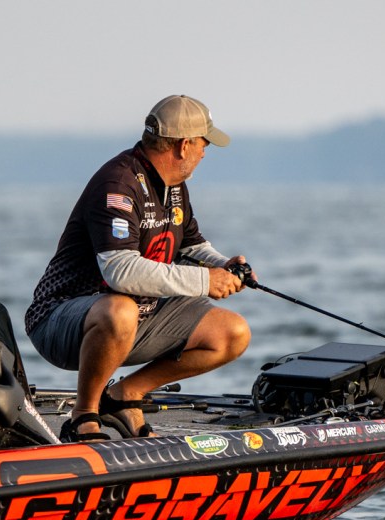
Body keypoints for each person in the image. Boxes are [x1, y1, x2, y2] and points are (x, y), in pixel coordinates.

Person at [25, 95, 252, 441]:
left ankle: (124, 395)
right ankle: (83, 415)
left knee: (233, 333)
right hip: (59, 319)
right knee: (121, 310)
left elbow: (191, 246)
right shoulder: (117, 184)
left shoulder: (174, 187)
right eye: (204, 144)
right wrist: (206, 281)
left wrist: (224, 265)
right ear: (184, 145)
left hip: (136, 317)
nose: (205, 152)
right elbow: (120, 271)